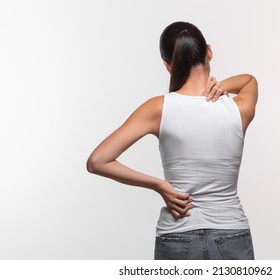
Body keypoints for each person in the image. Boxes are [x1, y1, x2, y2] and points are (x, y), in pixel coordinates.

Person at [86, 21, 258, 260]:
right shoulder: (238, 109)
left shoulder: (158, 108)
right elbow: (250, 81)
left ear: (168, 65)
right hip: (231, 233)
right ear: (209, 51)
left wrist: (159, 185)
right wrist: (221, 86)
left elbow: (97, 161)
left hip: (178, 234)